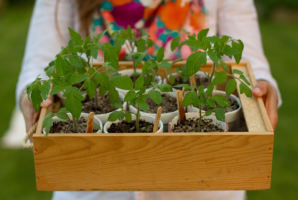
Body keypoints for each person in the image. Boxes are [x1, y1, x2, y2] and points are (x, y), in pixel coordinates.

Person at [17, 0, 281, 199]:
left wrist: (264, 88)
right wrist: (33, 95)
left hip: (206, 185)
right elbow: (41, 66)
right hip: (91, 187)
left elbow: (249, 65)